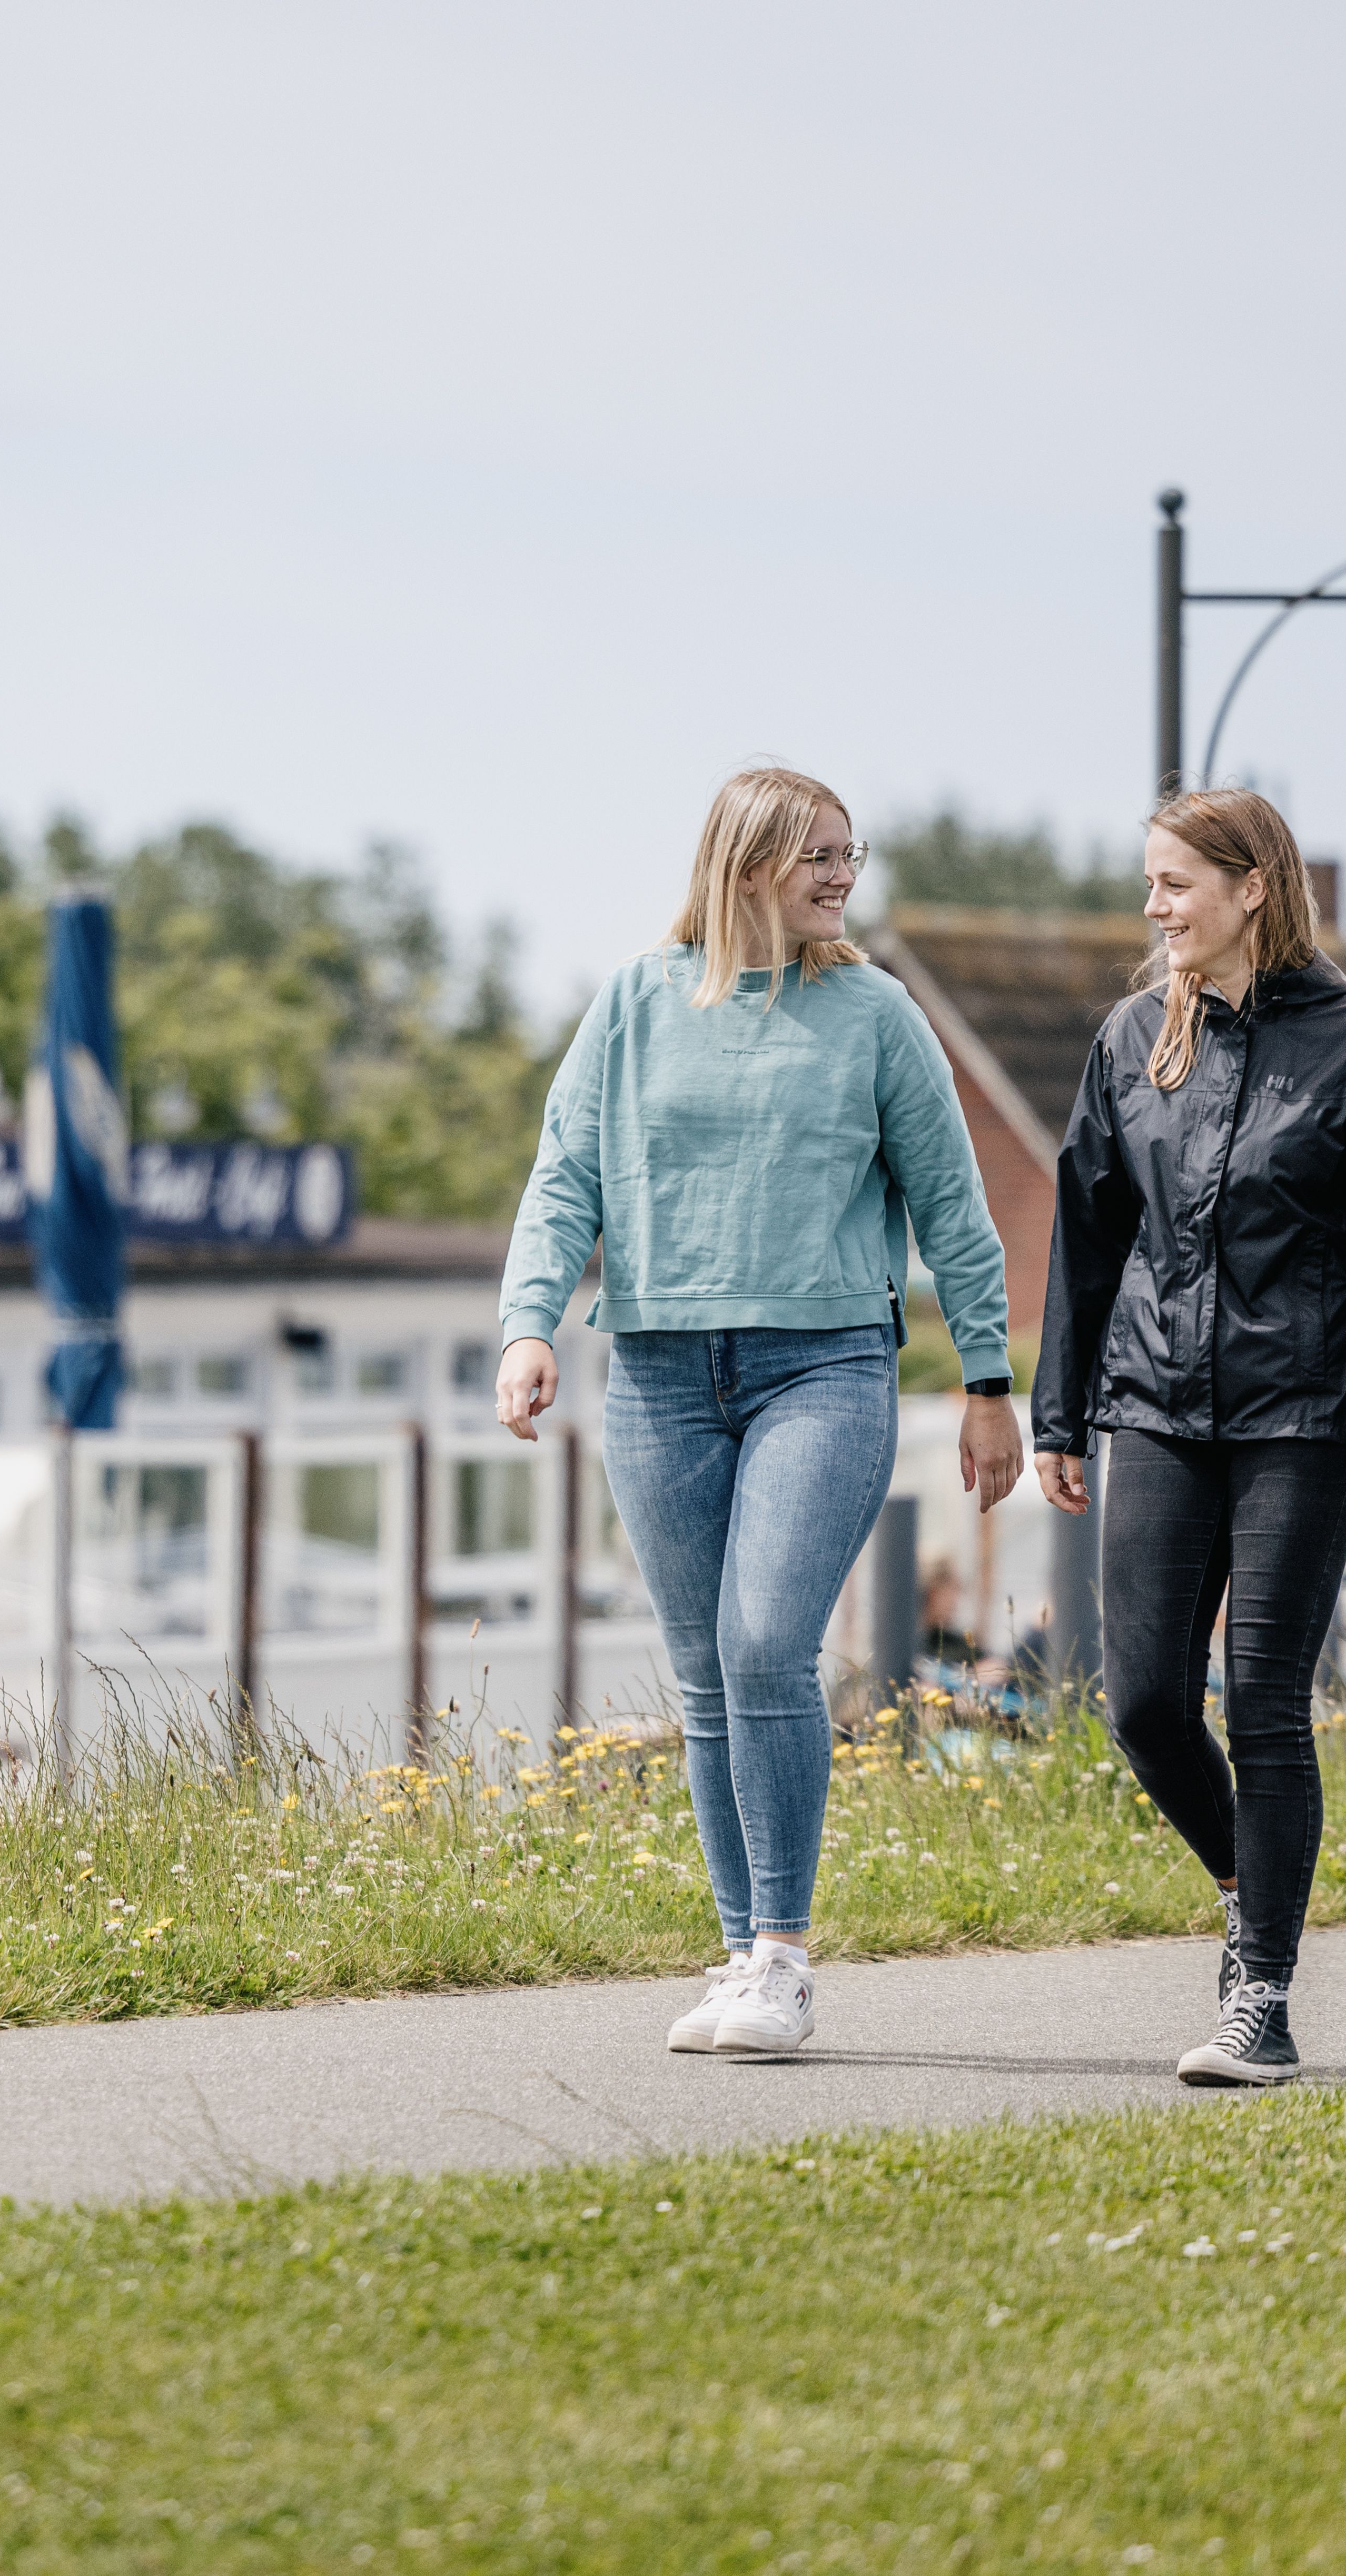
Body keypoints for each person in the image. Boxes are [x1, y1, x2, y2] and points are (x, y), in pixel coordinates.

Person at [495, 764, 1021, 2059]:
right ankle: (737, 1955)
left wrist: (990, 1380)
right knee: (705, 1673)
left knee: (766, 1641)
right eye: (818, 857)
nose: (845, 876)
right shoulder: (632, 1001)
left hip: (823, 1367)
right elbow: (565, 1173)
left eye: (851, 852)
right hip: (661, 1374)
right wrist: (527, 1321)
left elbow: (954, 1205)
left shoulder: (876, 1014)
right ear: (742, 868)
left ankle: (782, 1957)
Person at [1028, 789, 1346, 2088]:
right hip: (1151, 1403)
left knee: (1265, 1701)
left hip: (1307, 1414)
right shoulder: (1128, 1037)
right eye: (1150, 886)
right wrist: (1057, 1406)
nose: (1153, 909)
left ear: (1250, 886)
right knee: (1145, 1699)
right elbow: (1085, 1232)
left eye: (1173, 885)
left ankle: (1259, 1991)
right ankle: (1247, 1881)